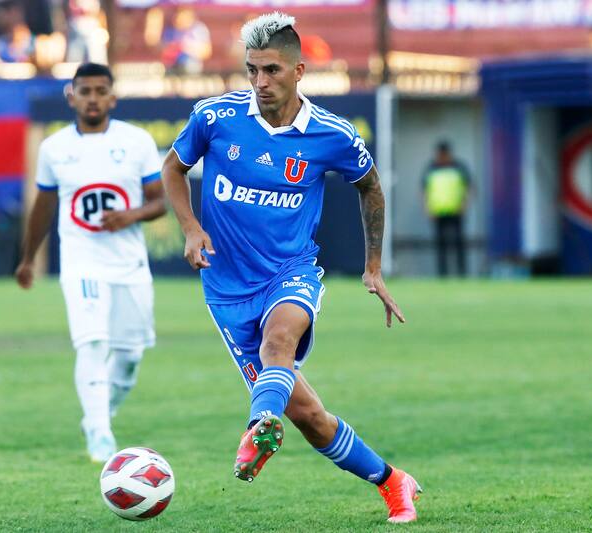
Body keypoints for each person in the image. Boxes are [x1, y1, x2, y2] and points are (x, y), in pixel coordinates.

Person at [161, 13, 421, 523]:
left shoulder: (332, 134)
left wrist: (373, 267)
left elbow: (369, 186)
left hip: (291, 272)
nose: (260, 82)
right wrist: (191, 227)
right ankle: (393, 481)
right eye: (253, 69)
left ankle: (258, 426)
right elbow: (172, 168)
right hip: (227, 289)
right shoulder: (215, 118)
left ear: (299, 70)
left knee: (278, 342)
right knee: (309, 417)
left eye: (272, 70)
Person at [15, 63, 166, 462]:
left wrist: (129, 216)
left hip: (129, 266)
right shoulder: (54, 148)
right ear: (72, 96)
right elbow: (43, 205)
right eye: (86, 91)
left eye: (101, 91)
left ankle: (101, 413)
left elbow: (159, 202)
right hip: (83, 262)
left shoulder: (136, 142)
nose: (93, 98)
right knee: (93, 343)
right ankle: (100, 432)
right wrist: (28, 259)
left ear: (113, 97)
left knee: (130, 358)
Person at [422, 140, 472, 277]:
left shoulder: (459, 167)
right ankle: (442, 274)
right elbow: (424, 190)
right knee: (441, 245)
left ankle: (462, 273)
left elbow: (468, 187)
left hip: (456, 211)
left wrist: (465, 205)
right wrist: (427, 208)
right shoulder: (431, 168)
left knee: (458, 244)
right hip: (438, 212)